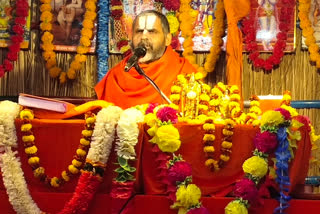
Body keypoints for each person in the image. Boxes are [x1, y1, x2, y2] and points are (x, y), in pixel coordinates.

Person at [95, 10, 197, 109]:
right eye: (139, 31)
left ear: (167, 39)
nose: (144, 37)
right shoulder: (117, 75)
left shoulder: (184, 72)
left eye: (152, 31)